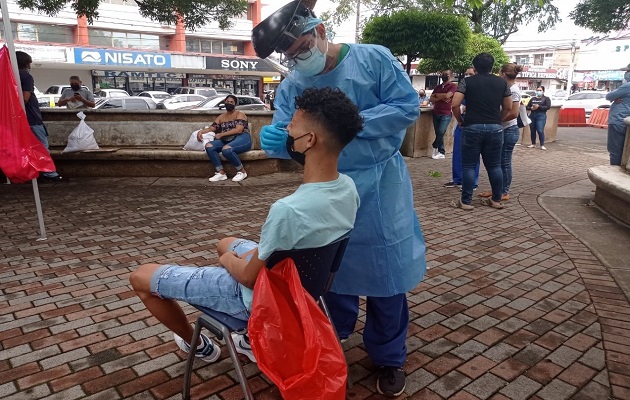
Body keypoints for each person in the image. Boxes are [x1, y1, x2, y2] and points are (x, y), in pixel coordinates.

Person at [252, 1, 427, 396]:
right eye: (290, 54)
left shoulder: (373, 59)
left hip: (381, 182)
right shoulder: (295, 84)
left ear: (321, 30)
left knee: (386, 270)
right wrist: (278, 144)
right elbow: (291, 135)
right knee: (332, 266)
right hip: (327, 184)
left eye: (301, 47)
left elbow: (406, 105)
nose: (299, 58)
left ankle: (388, 355)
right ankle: (336, 339)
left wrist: (351, 124)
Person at [129, 86, 361, 365]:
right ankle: (250, 341)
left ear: (309, 140)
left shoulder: (288, 210)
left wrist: (229, 261)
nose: (286, 130)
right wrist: (238, 255)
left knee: (141, 277)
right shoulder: (348, 189)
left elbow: (249, 277)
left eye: (292, 125)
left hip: (260, 300)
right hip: (307, 291)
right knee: (224, 241)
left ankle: (199, 345)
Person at [451, 52, 513, 210]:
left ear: (475, 66)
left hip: (472, 126)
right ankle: (496, 200)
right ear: (492, 66)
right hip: (495, 128)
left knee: (469, 166)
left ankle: (466, 201)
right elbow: (508, 107)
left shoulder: (467, 81)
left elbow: (455, 104)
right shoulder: (502, 83)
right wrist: (498, 119)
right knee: (495, 166)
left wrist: (460, 120)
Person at [15, 51, 64, 183]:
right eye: (29, 63)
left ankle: (31, 173)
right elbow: (25, 98)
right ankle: (49, 174)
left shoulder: (9, 75)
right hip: (32, 118)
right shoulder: (25, 77)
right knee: (41, 146)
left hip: (17, 119)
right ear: (25, 63)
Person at [479, 63, 522, 202]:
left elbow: (514, 113)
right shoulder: (506, 88)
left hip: (509, 129)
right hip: (503, 128)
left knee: (504, 162)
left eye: (499, 73)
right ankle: (496, 190)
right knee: (498, 162)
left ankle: (504, 191)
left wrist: (497, 120)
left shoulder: (513, 90)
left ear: (503, 74)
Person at [198, 95, 252, 182]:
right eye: (227, 102)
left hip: (242, 138)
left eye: (231, 102)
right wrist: (201, 132)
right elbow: (212, 128)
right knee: (209, 146)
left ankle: (242, 171)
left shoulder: (240, 114)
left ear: (235, 104)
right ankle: (221, 173)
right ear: (224, 102)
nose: (229, 104)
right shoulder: (221, 117)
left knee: (226, 150)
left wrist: (221, 134)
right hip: (227, 139)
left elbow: (239, 130)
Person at [444, 67, 480, 189]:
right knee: (458, 153)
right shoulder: (463, 88)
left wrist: (464, 108)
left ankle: (472, 183)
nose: (467, 76)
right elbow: (455, 105)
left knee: (473, 155)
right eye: (466, 74)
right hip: (461, 123)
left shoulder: (479, 90)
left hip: (474, 124)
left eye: (470, 74)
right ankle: (458, 179)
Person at [429, 69, 457, 159]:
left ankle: (434, 145)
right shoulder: (438, 87)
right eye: (443, 74)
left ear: (451, 76)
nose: (444, 75)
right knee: (438, 133)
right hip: (436, 112)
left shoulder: (453, 86)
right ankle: (441, 152)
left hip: (446, 113)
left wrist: (437, 95)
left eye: (447, 74)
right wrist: (442, 96)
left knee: (441, 131)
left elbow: (447, 96)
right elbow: (431, 99)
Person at [605, 63, 630, 166]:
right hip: (625, 121)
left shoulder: (627, 86)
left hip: (618, 121)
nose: (626, 73)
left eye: (628, 71)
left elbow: (609, 96)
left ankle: (615, 170)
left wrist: (615, 97)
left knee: (615, 150)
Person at [526, 85, 551, 150]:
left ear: (543, 91)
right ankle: (533, 143)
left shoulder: (546, 98)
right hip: (532, 115)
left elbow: (548, 107)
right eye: (537, 90)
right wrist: (531, 108)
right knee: (532, 130)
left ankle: (542, 144)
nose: (538, 91)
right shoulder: (533, 99)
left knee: (540, 130)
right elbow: (527, 107)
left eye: (540, 90)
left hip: (541, 115)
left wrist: (539, 107)